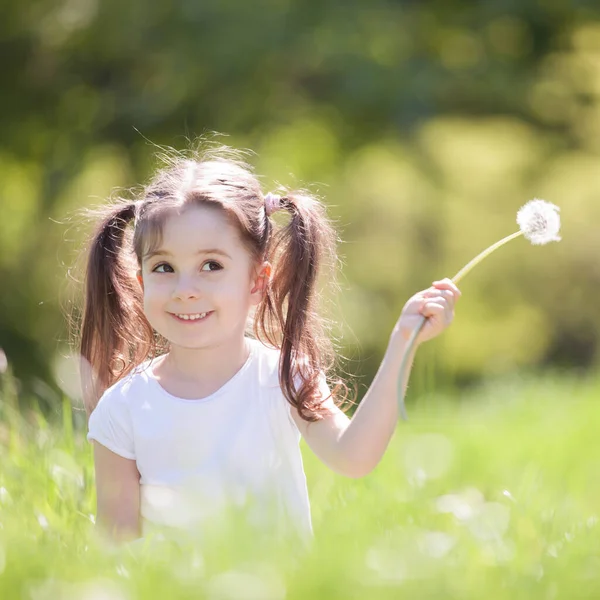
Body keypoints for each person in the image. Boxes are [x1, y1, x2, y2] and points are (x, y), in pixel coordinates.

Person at [80, 144, 460, 543]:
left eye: (211, 266)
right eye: (164, 268)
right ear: (141, 281)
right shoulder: (122, 409)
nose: (185, 289)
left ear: (257, 282)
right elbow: (118, 553)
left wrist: (403, 342)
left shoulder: (281, 378)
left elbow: (354, 457)